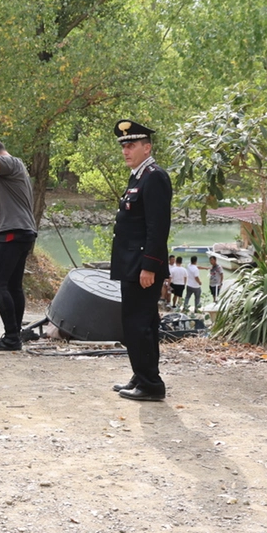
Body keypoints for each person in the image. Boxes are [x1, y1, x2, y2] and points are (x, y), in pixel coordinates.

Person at [109, 120, 172, 401]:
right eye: (124, 145)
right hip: (130, 264)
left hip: (142, 266)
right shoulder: (138, 176)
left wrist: (149, 265)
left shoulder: (155, 176)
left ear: (147, 148)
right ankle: (141, 374)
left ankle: (151, 384)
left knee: (141, 324)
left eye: (131, 145)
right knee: (135, 323)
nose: (126, 150)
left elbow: (158, 227)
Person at [0, 107, 38, 351]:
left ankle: (12, 337)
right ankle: (15, 335)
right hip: (22, 231)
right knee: (13, 286)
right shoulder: (17, 168)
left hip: (13, 232)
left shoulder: (10, 163)